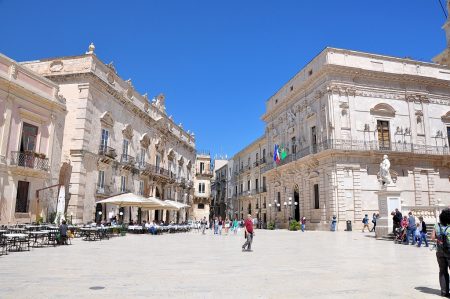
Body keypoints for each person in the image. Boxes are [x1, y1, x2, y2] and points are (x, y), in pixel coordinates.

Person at [431, 208, 450, 297]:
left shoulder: (436, 225)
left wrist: (439, 240)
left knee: (442, 271)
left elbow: (432, 237)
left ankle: (444, 292)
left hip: (439, 251)